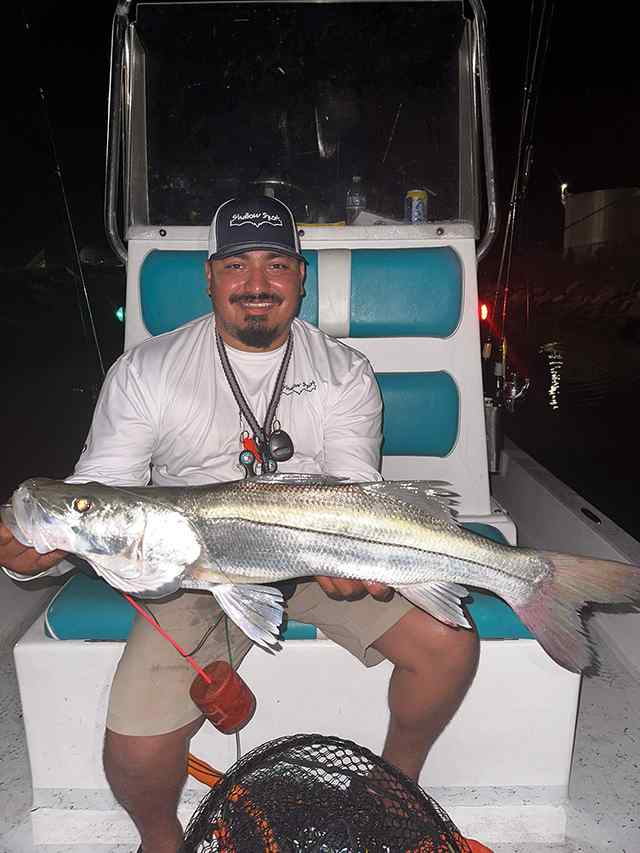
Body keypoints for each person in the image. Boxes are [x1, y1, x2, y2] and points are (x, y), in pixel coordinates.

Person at [0, 195, 479, 853]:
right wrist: (41, 547)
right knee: (134, 757)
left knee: (449, 644)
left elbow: (351, 495)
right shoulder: (147, 371)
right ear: (210, 276)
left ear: (300, 276)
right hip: (187, 571)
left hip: (311, 551)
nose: (257, 284)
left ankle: (389, 793)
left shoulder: (344, 372)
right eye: (237, 265)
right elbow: (96, 493)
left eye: (277, 264)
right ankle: (163, 841)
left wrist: (350, 563)